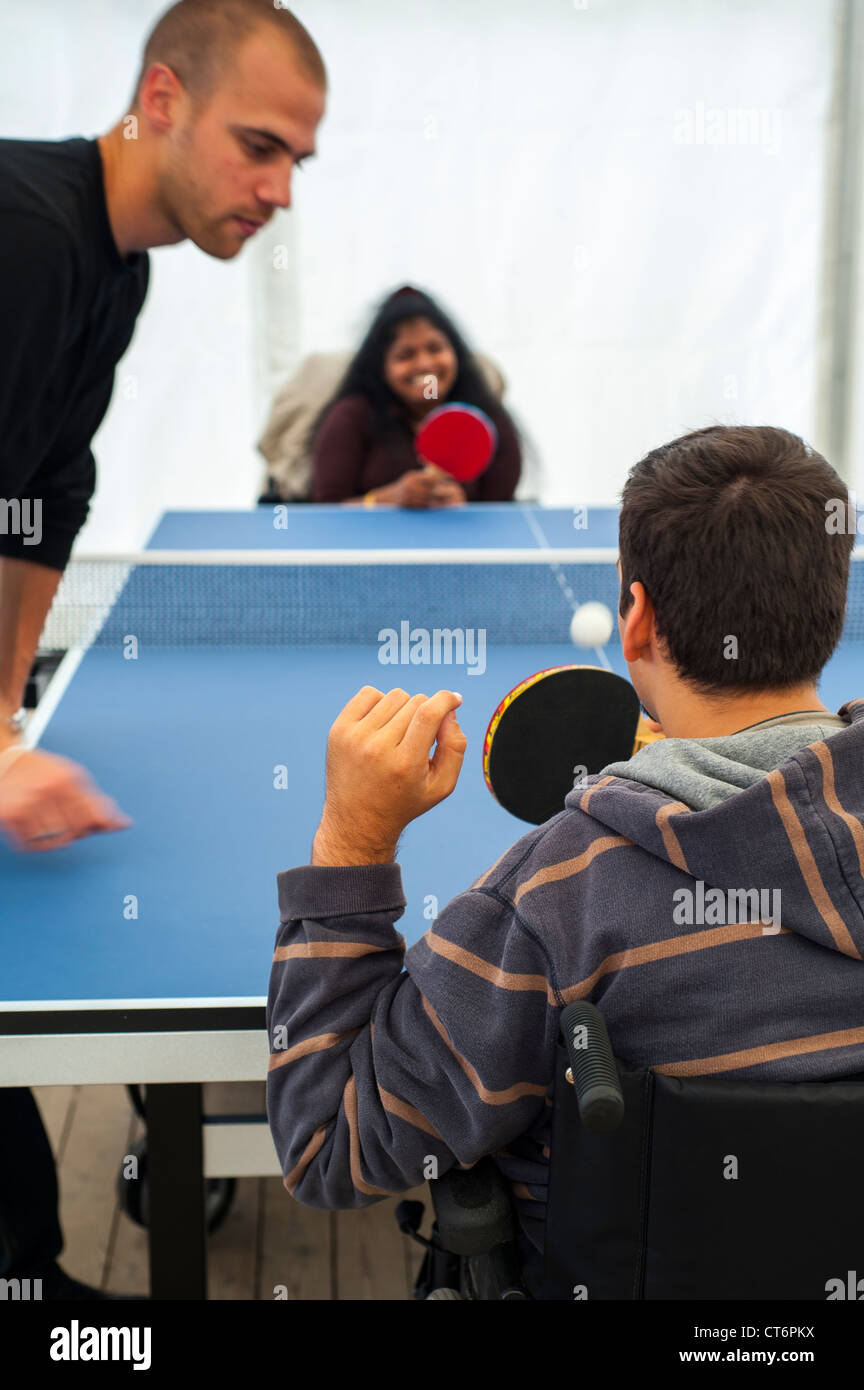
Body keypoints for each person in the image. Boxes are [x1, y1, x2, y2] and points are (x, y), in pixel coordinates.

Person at [267, 424, 863, 1297]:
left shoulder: (557, 899)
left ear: (638, 619)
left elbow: (329, 1143)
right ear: (836, 602)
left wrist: (351, 843)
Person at [0, 0, 326, 1298]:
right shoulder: (28, 239)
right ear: (157, 101)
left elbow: (34, 505)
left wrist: (6, 719)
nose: (279, 190)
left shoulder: (114, 266)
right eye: (260, 146)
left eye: (299, 160)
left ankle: (26, 1276)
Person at [309, 286, 522, 506]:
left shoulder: (489, 417)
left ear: (455, 353)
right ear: (382, 367)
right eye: (405, 355)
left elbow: (499, 508)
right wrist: (385, 499)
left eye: (435, 348)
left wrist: (463, 507)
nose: (424, 364)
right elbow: (328, 509)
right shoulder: (351, 416)